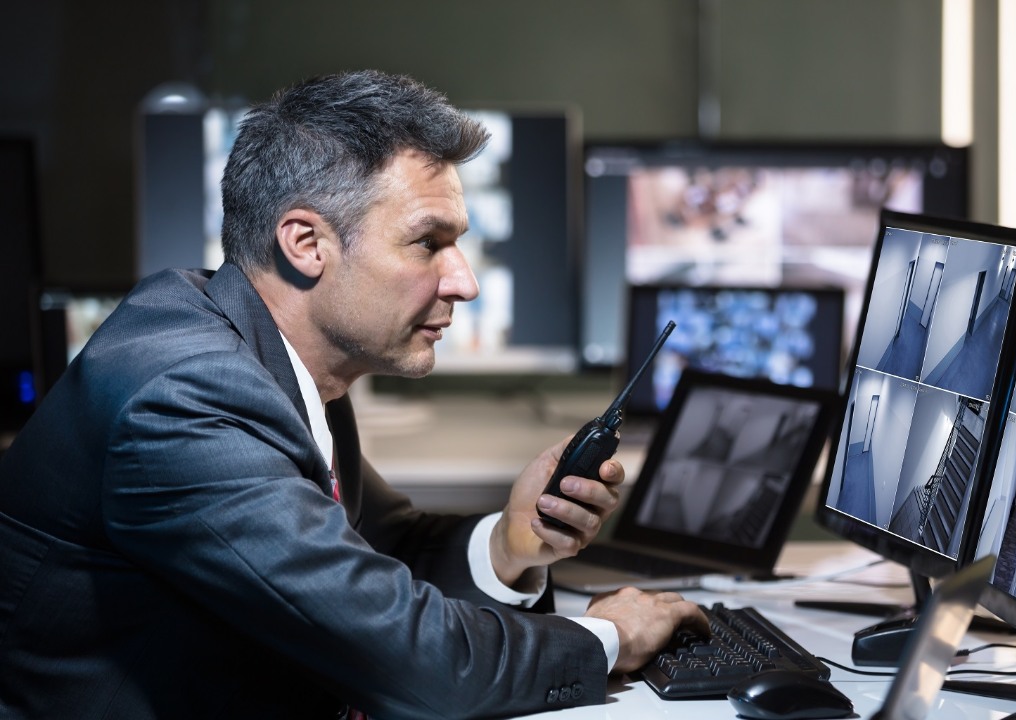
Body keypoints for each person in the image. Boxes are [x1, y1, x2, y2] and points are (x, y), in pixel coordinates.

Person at [0, 70, 707, 719]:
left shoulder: (267, 348)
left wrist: (508, 543)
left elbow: (371, 554)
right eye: (428, 243)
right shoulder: (185, 398)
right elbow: (412, 659)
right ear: (306, 243)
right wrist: (608, 637)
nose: (465, 281)